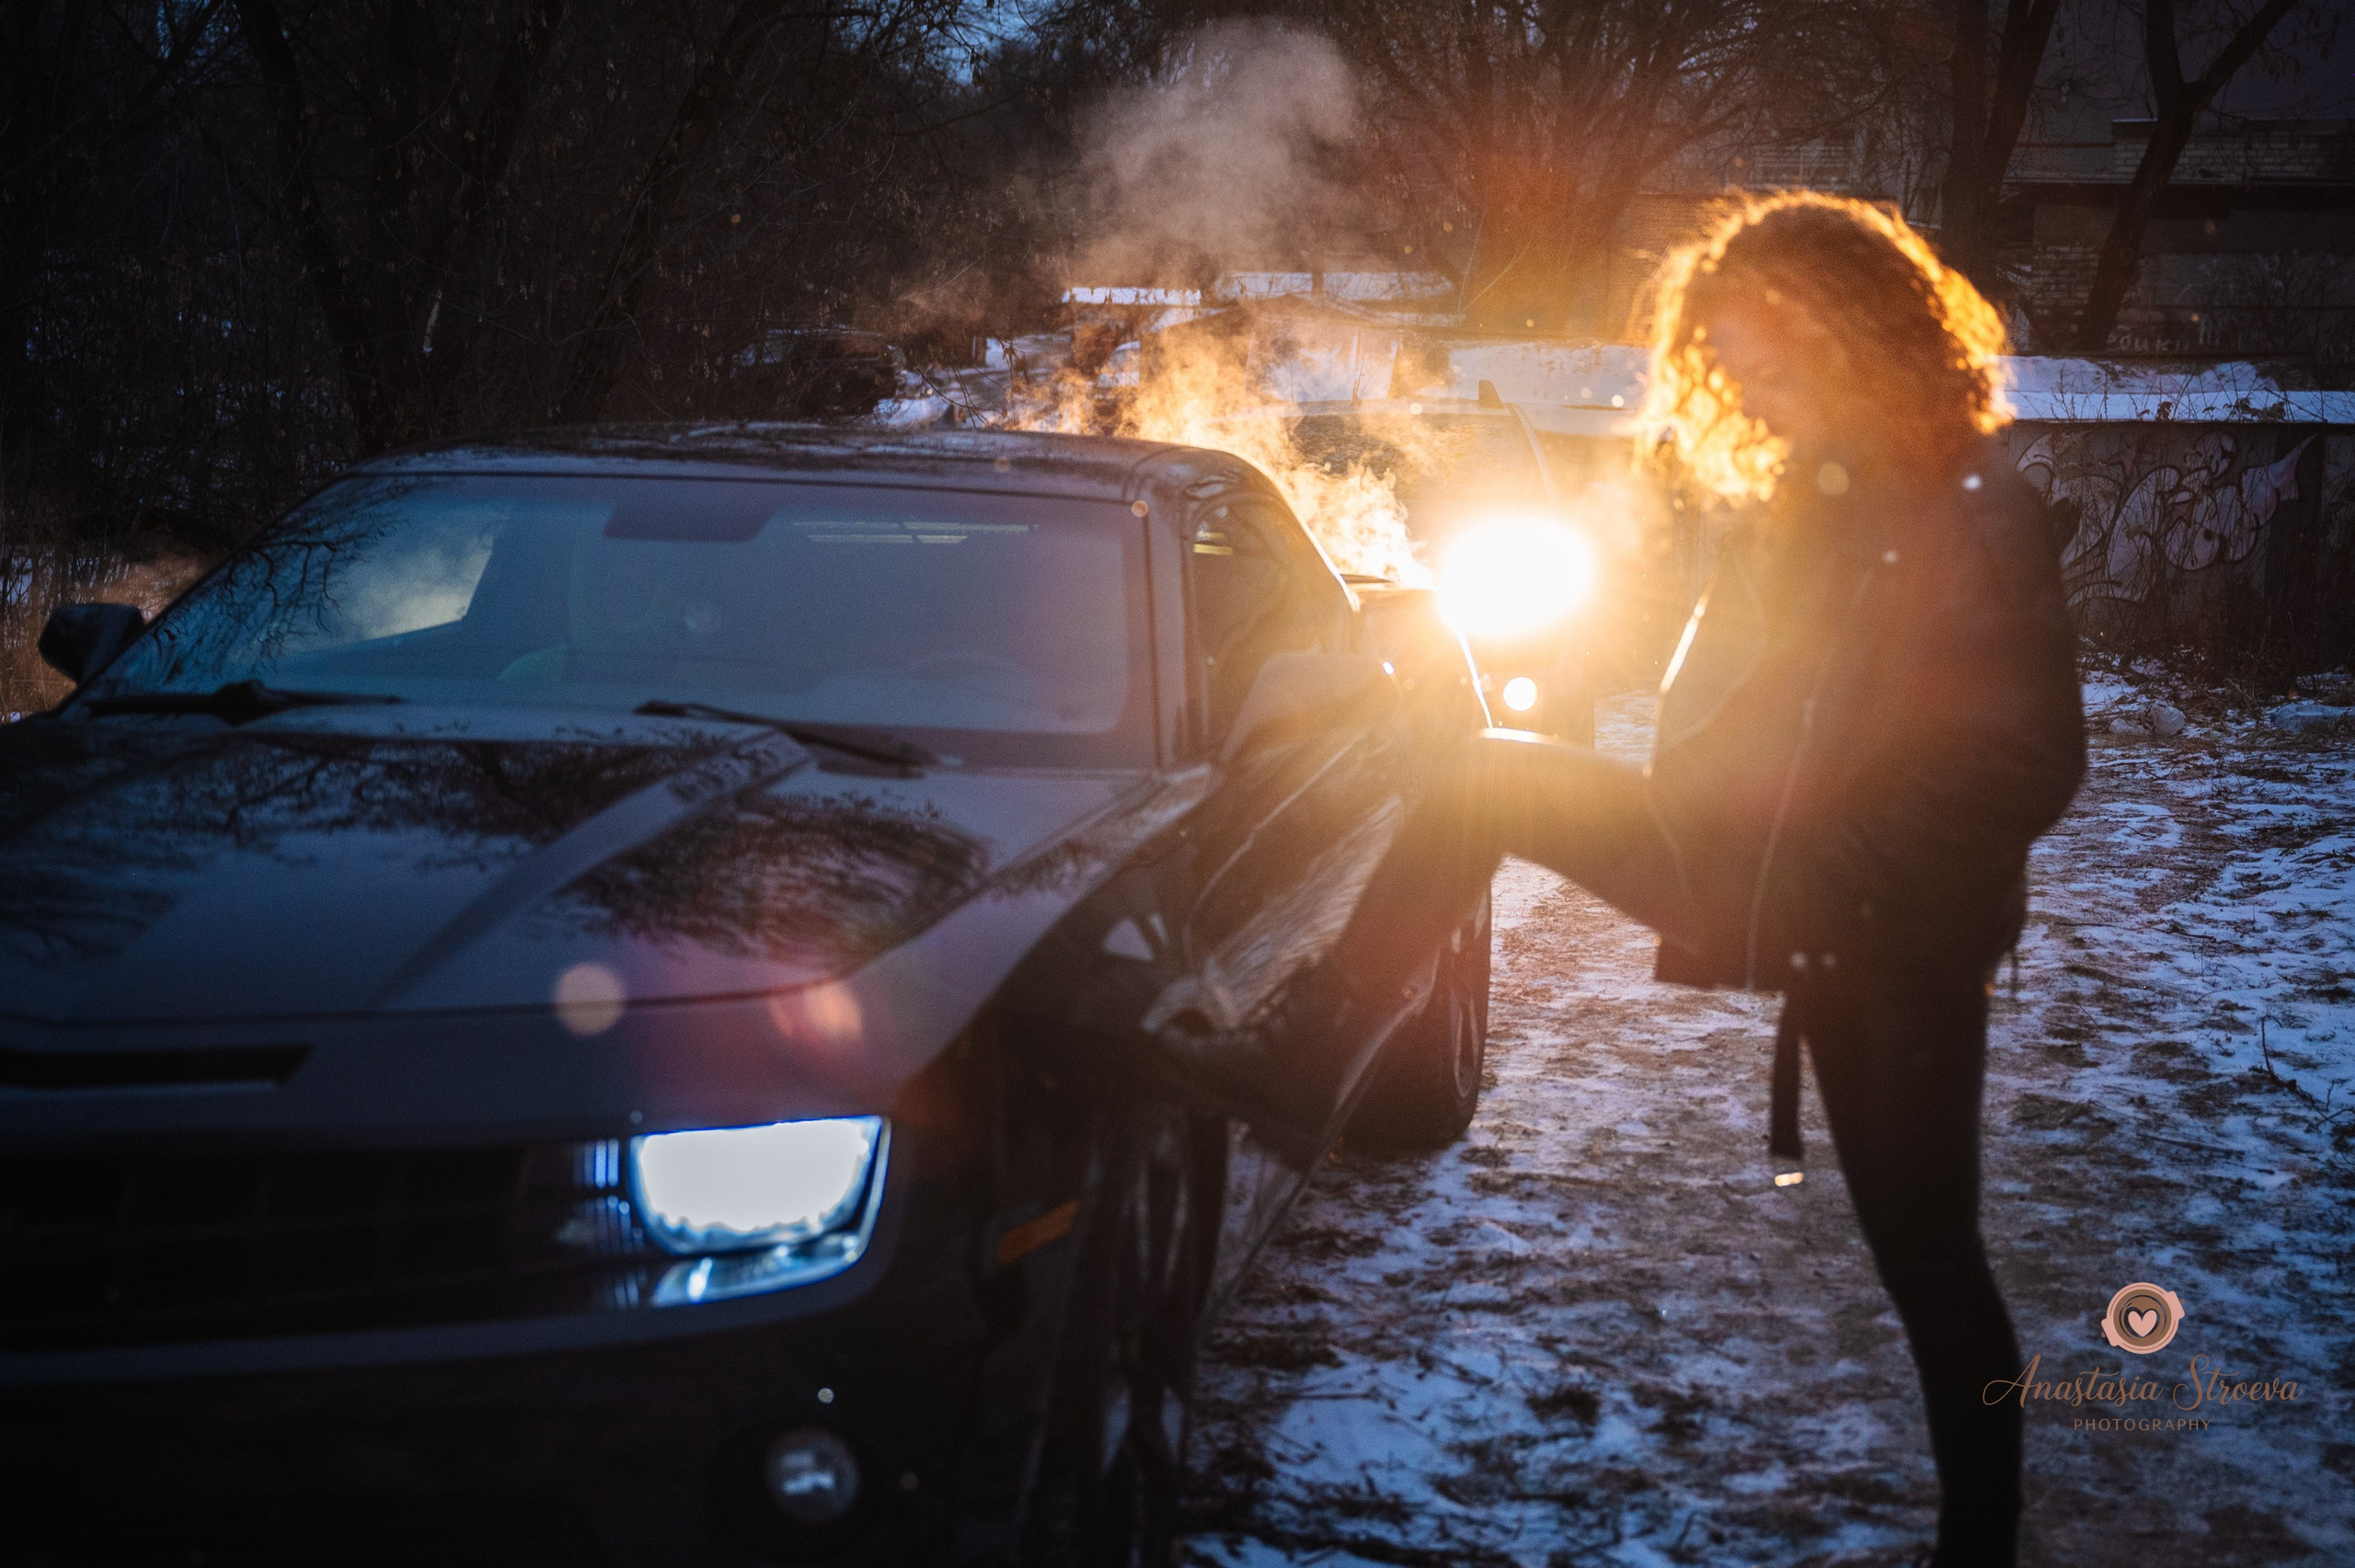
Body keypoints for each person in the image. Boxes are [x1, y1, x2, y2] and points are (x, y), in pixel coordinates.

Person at [1170, 192, 2085, 1568]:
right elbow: (1774, 699)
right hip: (1765, 868)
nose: (1747, 381)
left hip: (1885, 931)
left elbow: (2028, 757)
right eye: (1729, 357)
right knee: (1486, 770)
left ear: (1852, 332)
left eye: (1766, 351)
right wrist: (1677, 769)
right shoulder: (1817, 489)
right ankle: (1315, 1058)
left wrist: (1837, 866)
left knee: (1930, 1258)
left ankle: (1984, 1546)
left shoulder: (1970, 504)